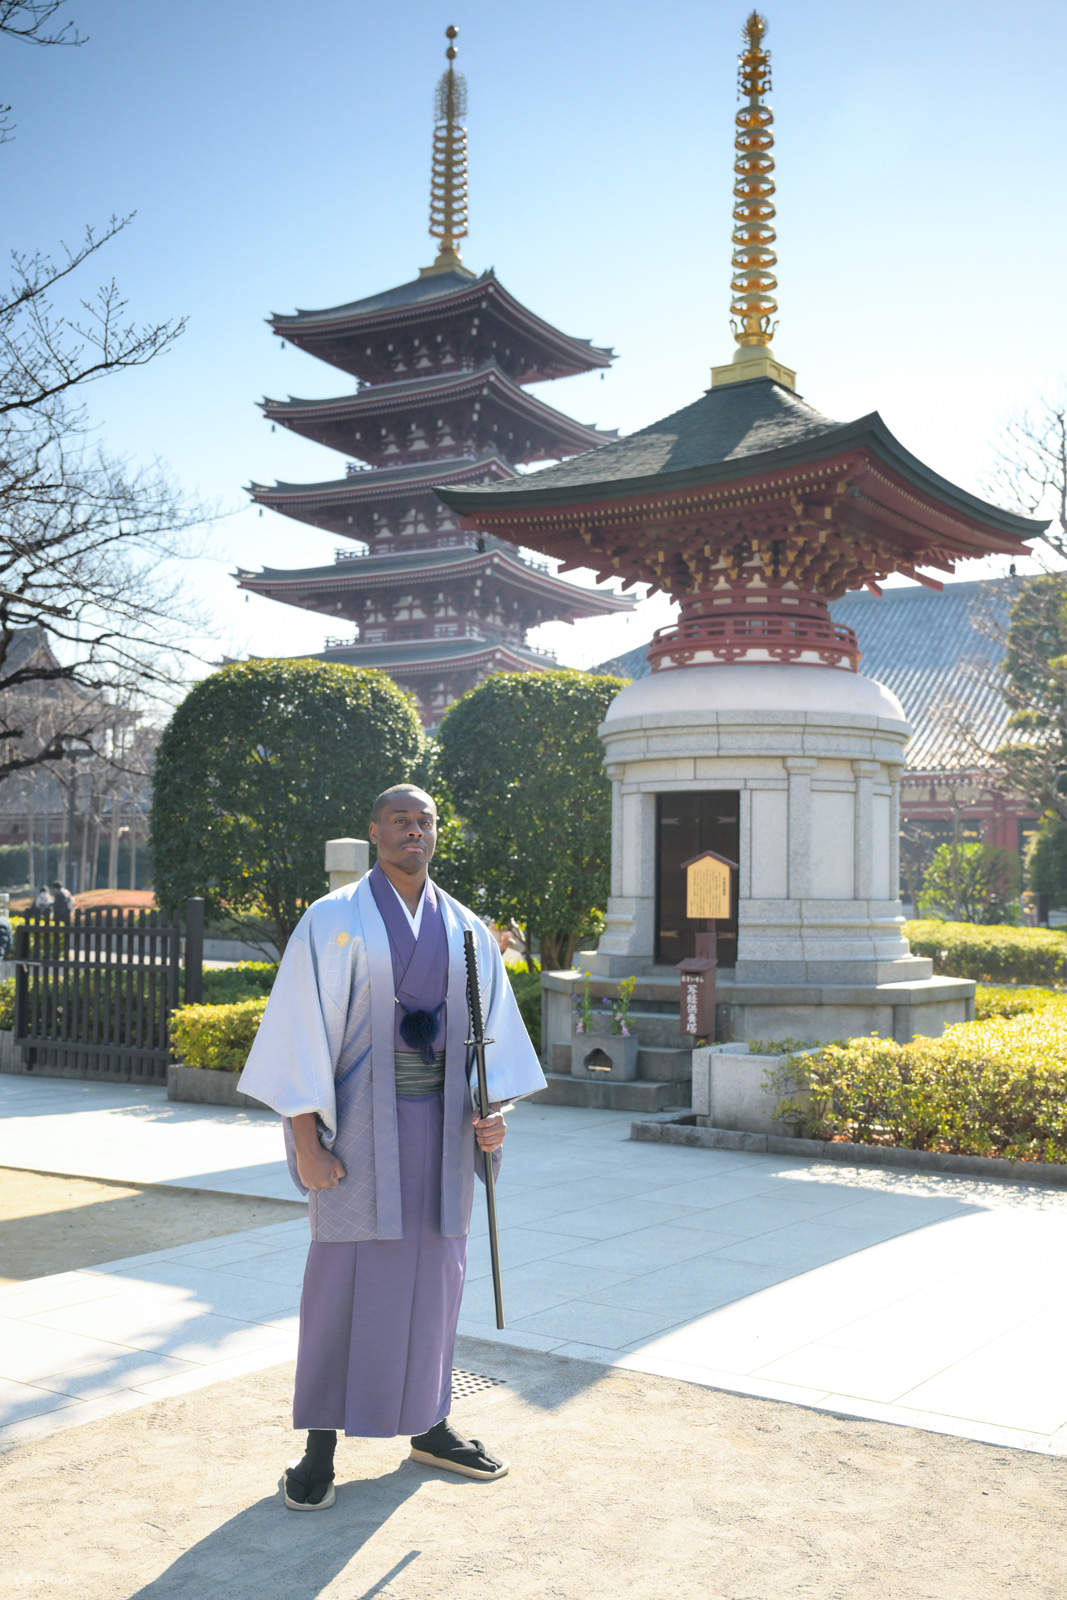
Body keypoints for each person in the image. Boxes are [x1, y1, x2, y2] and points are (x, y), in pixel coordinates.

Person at [237, 783, 546, 1511]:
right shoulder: (332, 919)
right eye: (400, 820)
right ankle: (319, 1444)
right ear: (375, 830)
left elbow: (489, 1044)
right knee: (341, 1281)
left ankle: (429, 1423)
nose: (414, 830)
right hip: (357, 1133)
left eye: (425, 820)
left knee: (434, 1276)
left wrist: (492, 1113)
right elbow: (297, 1035)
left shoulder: (467, 928)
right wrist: (305, 1141)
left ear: (437, 832)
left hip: (441, 1130)